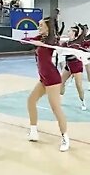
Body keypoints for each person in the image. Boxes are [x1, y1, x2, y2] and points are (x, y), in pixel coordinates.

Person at [24, 17, 69, 152]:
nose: (39, 27)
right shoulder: (41, 38)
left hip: (53, 79)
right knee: (31, 101)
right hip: (43, 78)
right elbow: (27, 41)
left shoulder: (52, 41)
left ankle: (65, 138)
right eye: (38, 25)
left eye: (41, 25)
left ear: (48, 27)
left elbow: (58, 45)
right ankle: (33, 132)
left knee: (56, 109)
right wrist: (31, 41)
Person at [60, 24, 87, 110]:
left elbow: (84, 30)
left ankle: (83, 102)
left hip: (77, 66)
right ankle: (60, 99)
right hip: (68, 65)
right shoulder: (66, 43)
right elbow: (58, 48)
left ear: (74, 32)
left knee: (78, 85)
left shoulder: (78, 41)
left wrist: (79, 25)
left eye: (69, 30)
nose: (68, 32)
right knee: (61, 82)